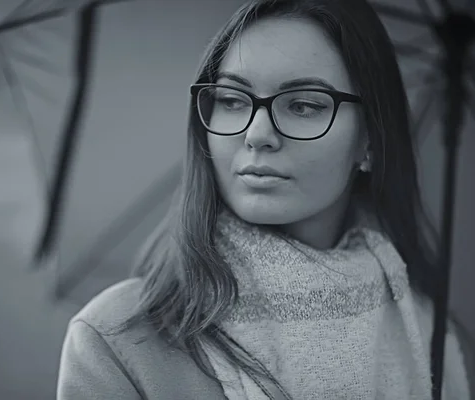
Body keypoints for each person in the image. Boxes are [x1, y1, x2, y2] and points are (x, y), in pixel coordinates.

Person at [56, 0, 474, 399]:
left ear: (369, 142)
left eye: (304, 105)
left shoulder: (426, 334)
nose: (256, 133)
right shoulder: (119, 339)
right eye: (233, 100)